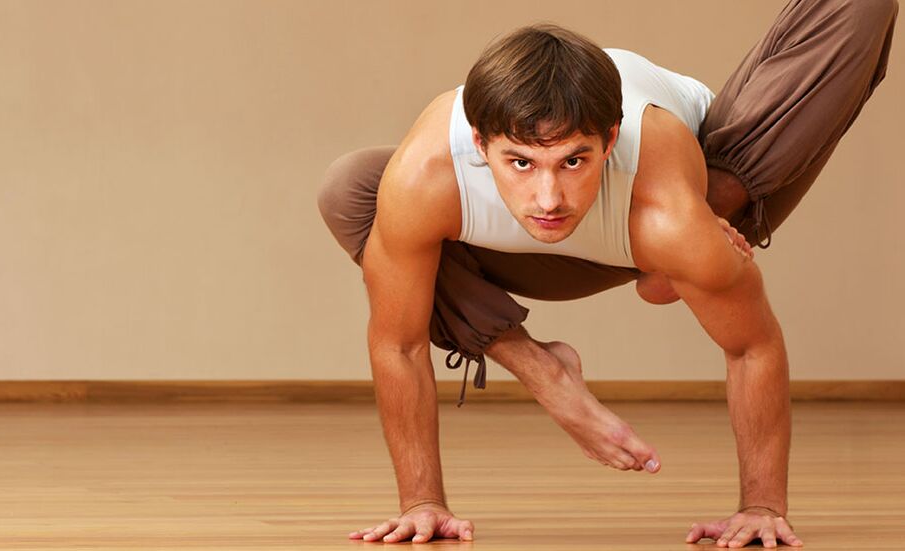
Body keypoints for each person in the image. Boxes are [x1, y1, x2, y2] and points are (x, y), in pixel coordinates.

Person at [316, 0, 898, 547]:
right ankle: (547, 365)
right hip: (525, 253)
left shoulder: (666, 209)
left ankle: (713, 208)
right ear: (478, 144)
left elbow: (752, 346)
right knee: (353, 187)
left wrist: (763, 506)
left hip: (678, 199)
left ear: (610, 141)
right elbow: (399, 343)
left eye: (574, 160)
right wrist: (422, 502)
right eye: (520, 163)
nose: (549, 196)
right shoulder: (427, 175)